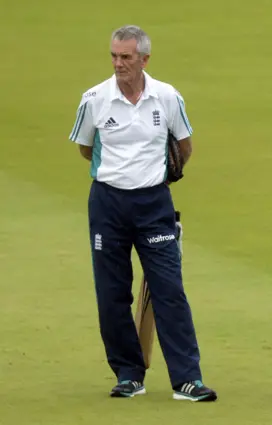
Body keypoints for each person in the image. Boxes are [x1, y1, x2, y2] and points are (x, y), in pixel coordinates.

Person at [68, 24, 216, 402]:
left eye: (126, 57)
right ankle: (128, 374)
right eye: (114, 56)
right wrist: (121, 173)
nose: (119, 64)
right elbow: (86, 148)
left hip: (154, 204)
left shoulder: (167, 97)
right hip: (108, 204)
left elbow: (185, 146)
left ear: (144, 59)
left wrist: (153, 177)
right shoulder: (94, 99)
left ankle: (187, 379)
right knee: (112, 292)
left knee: (169, 290)